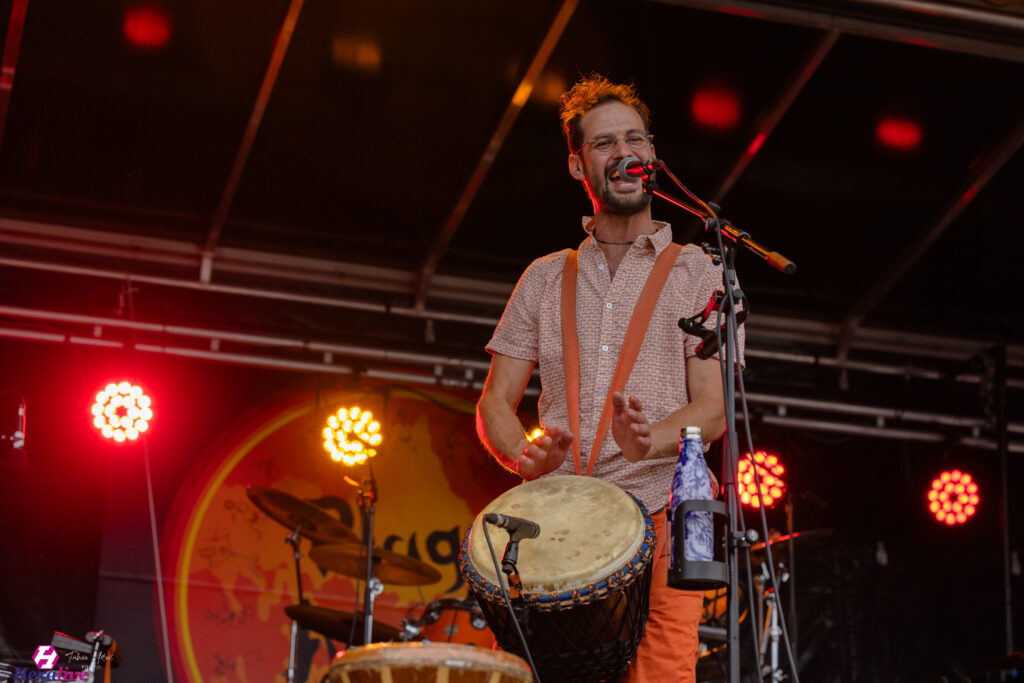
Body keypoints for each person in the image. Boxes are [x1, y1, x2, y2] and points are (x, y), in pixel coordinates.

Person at [475, 74, 745, 682]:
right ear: (578, 165)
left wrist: (648, 440)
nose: (624, 152)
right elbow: (495, 402)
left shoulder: (701, 271)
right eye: (604, 143)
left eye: (635, 139)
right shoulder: (544, 277)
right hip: (556, 519)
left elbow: (714, 409)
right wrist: (524, 456)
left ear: (652, 157)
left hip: (666, 515)